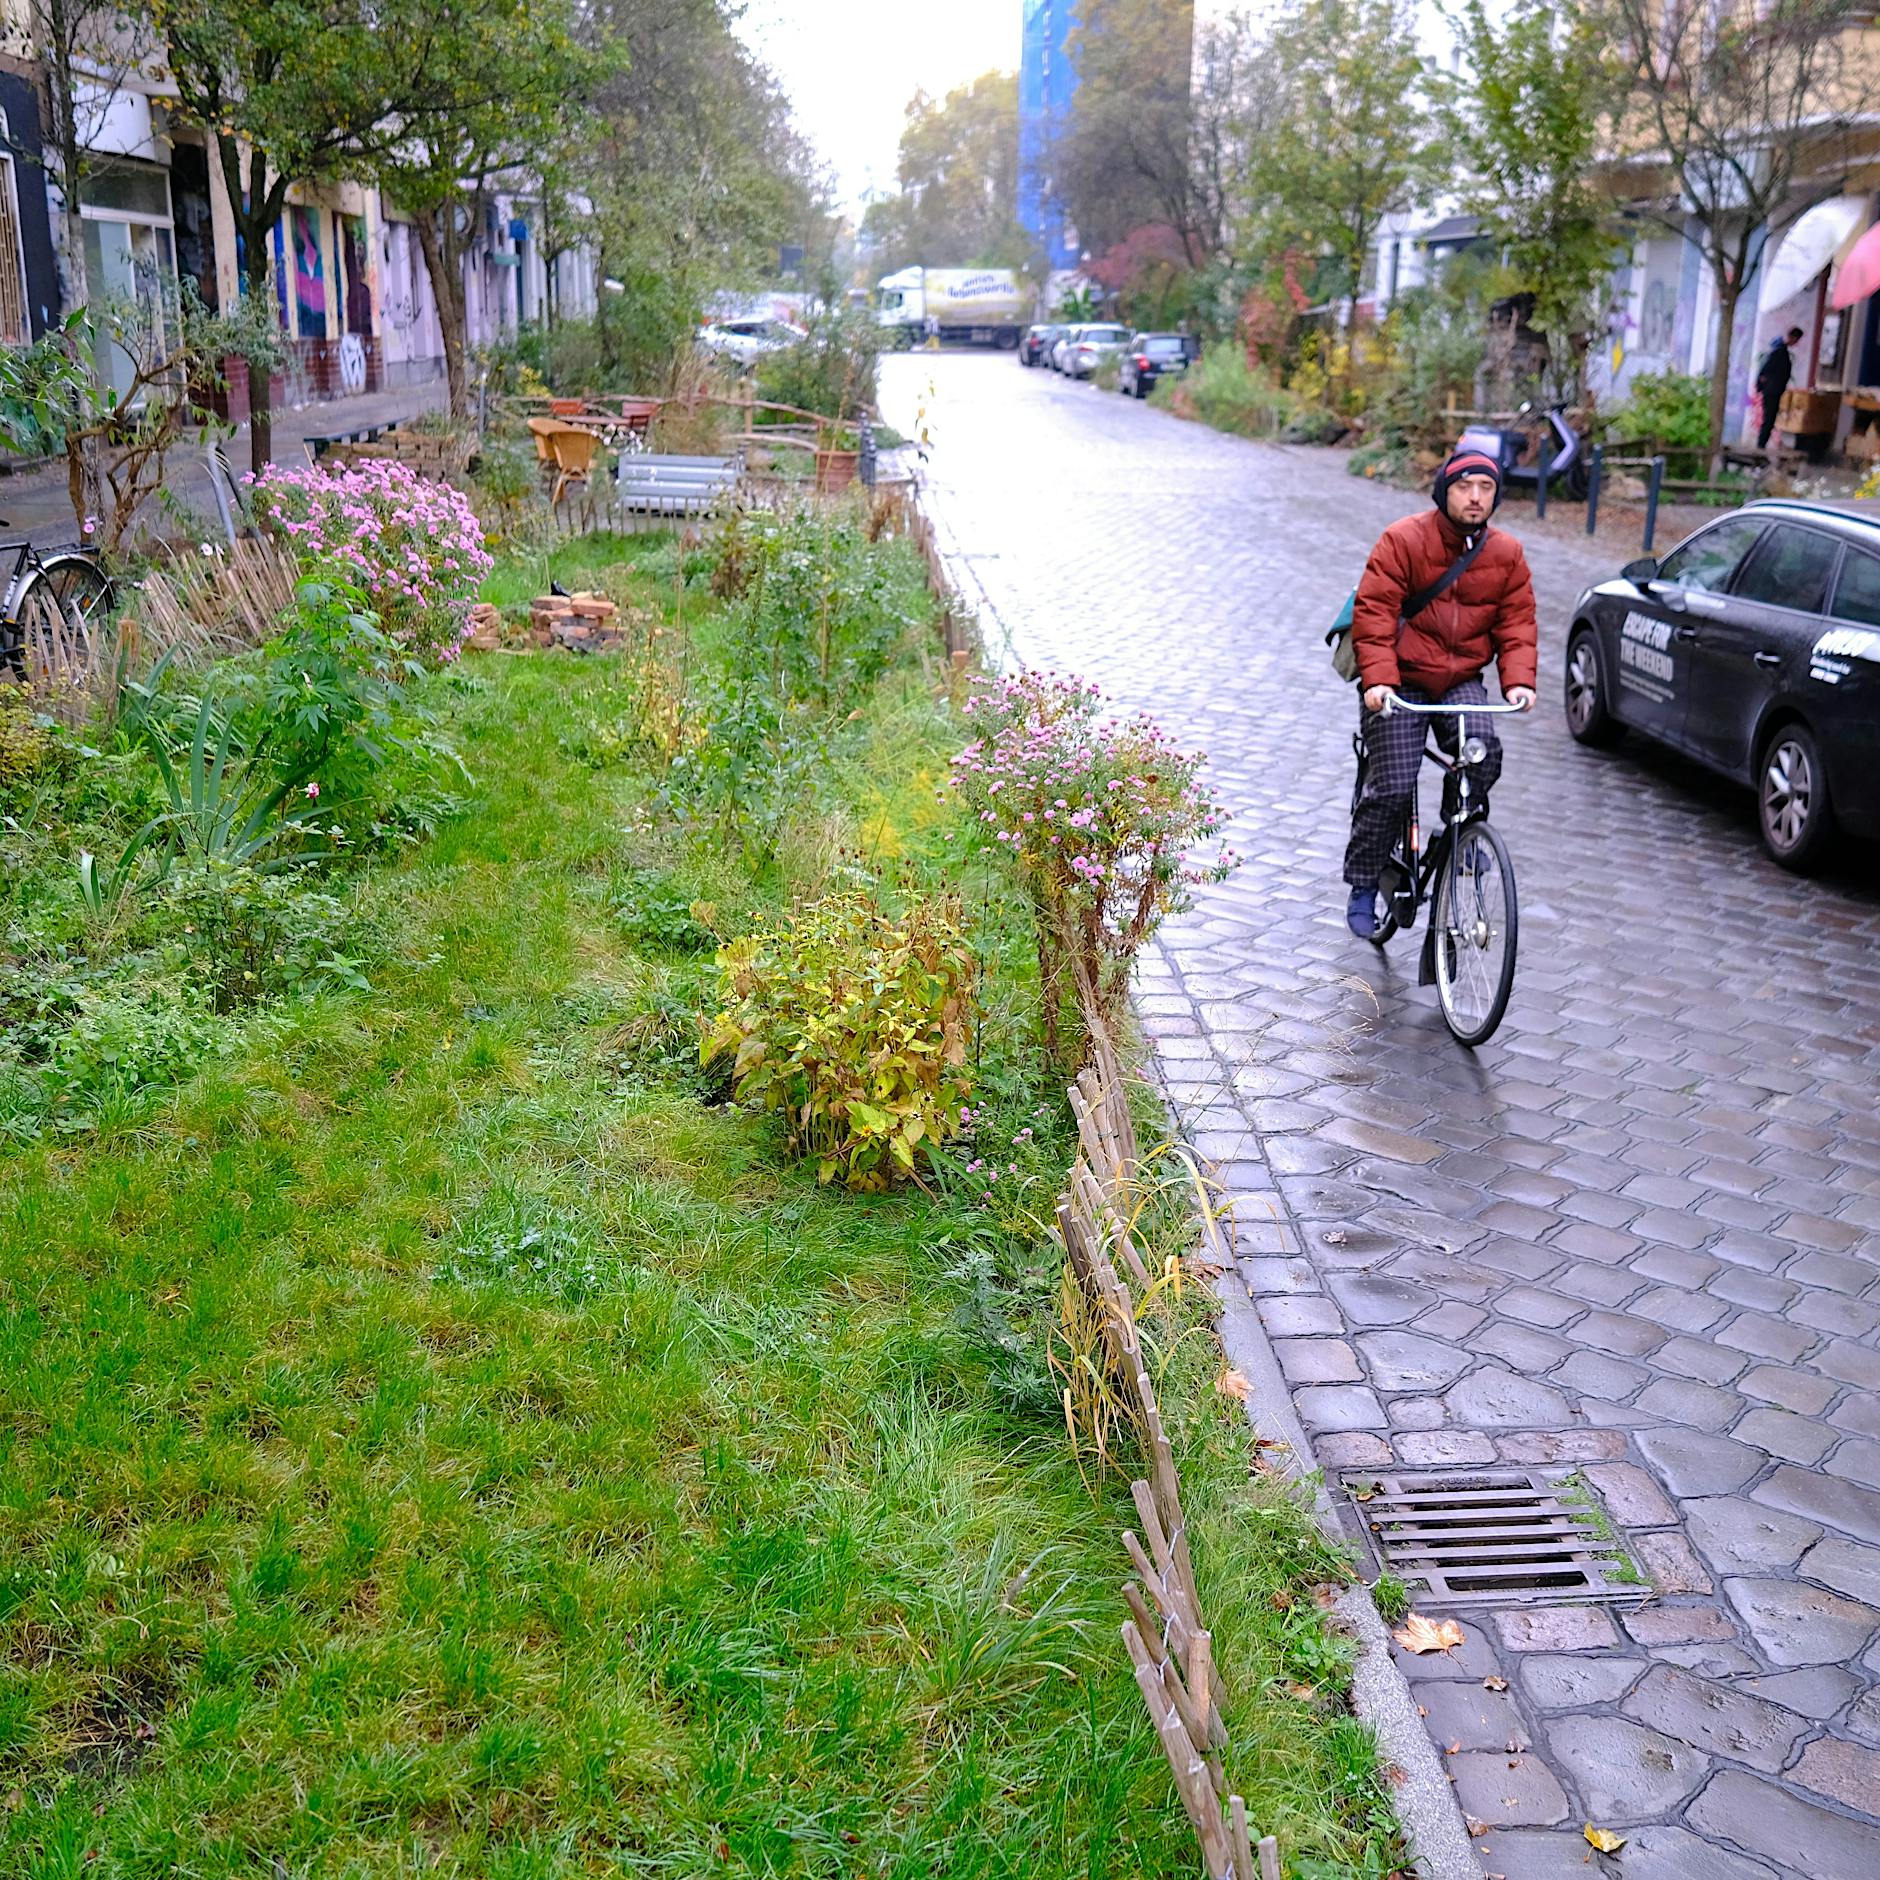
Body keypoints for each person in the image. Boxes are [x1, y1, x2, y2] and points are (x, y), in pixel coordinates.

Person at [1344, 449, 1538, 939]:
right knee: (1391, 785)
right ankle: (1364, 882)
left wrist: (1518, 680)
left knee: (1483, 753)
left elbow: (1517, 623)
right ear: (1444, 491)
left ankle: (1461, 828)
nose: (1476, 497)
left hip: (1459, 681)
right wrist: (1379, 680)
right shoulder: (1403, 539)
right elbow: (1374, 613)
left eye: (1486, 488)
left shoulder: (1507, 554)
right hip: (1401, 680)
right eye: (1464, 486)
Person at [1756, 326, 1804, 450]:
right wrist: (1761, 386)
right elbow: (1765, 370)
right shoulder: (1779, 352)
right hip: (1772, 391)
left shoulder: (1782, 352)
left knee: (1769, 420)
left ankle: (1761, 445)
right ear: (1792, 338)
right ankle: (1760, 446)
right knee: (1769, 420)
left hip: (1774, 390)